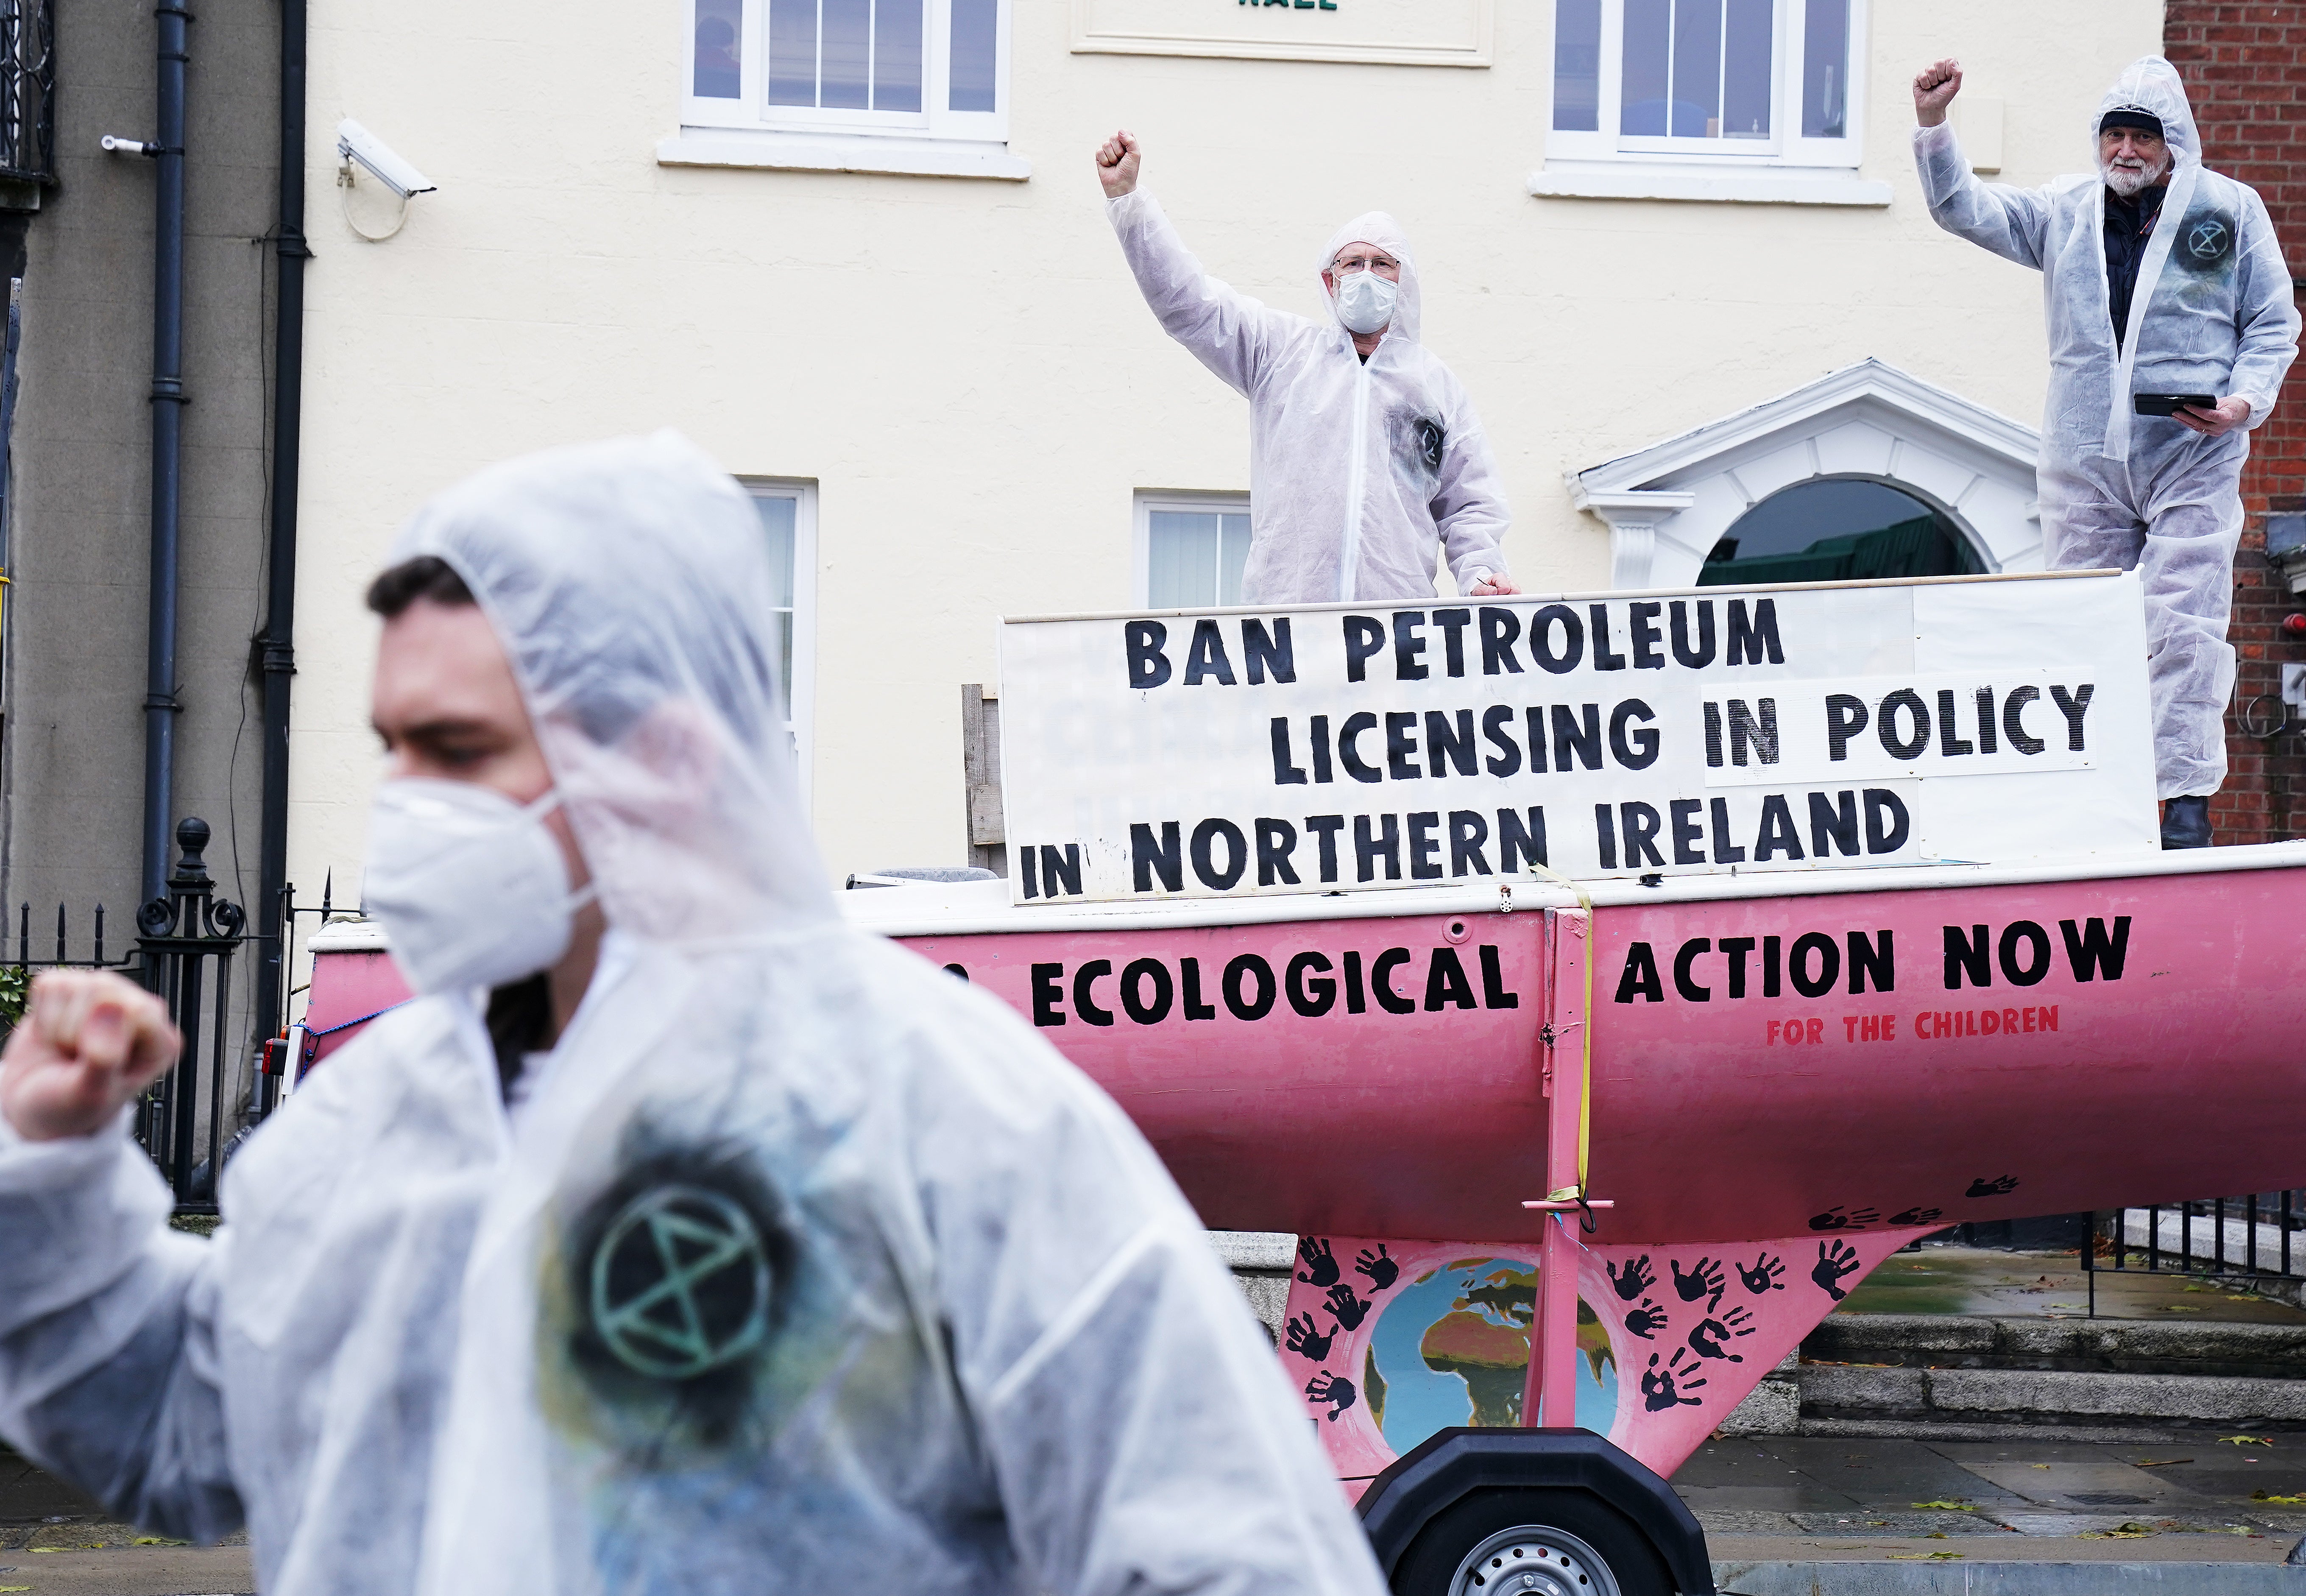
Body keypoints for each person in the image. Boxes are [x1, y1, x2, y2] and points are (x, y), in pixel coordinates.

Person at [0, 433, 1387, 1596]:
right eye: (395, 749)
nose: (407, 802)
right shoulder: (376, 1124)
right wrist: (54, 1169)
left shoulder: (951, 1123)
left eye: (460, 749)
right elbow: (180, 1426)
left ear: (663, 756)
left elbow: (1232, 1553)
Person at [1911, 56, 2300, 848]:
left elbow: (2270, 320)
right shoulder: (2064, 210)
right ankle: (2086, 796)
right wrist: (1933, 127)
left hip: (2189, 448)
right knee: (2078, 622)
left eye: (2140, 136)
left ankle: (2183, 802)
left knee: (2182, 620)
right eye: (2112, 134)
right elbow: (1964, 208)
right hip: (2084, 456)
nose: (2124, 150)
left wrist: (2240, 402)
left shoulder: (2227, 210)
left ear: (2172, 144)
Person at [1096, 129, 1518, 605]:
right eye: (1352, 262)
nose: (1365, 274)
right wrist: (1129, 203)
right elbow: (1189, 304)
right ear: (1328, 278)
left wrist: (1482, 574)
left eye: (1382, 264)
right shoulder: (1280, 352)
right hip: (1287, 632)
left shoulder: (1436, 388)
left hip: (1395, 636)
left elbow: (1470, 505)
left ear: (1406, 280)